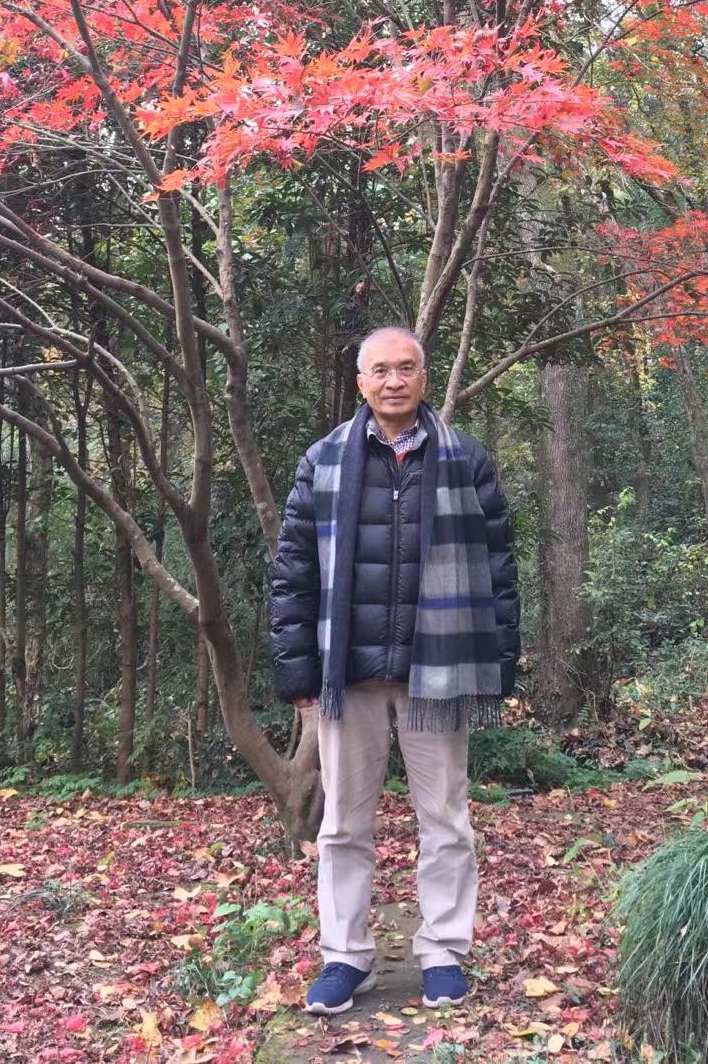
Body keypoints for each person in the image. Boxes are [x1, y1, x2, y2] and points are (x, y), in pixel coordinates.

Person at [269, 326, 520, 1017]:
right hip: (346, 670)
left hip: (437, 669)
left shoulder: (465, 457)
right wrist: (296, 672)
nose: (393, 381)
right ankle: (345, 957)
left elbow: (498, 568)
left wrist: (499, 662)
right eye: (379, 370)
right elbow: (293, 572)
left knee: (447, 820)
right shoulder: (323, 460)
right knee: (343, 826)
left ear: (423, 377)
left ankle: (442, 951)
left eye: (405, 368)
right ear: (361, 382)